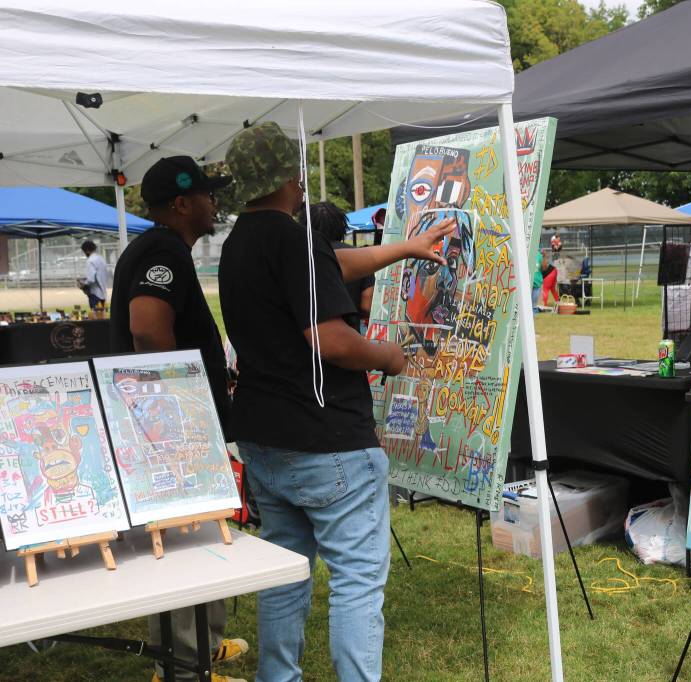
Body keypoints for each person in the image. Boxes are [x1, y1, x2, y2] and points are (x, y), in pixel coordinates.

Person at [219, 122, 452, 682]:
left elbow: (330, 268)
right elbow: (330, 340)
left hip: (266, 440)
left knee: (286, 571)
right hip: (327, 441)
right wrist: (388, 356)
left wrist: (404, 248)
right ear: (291, 177)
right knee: (355, 581)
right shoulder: (290, 238)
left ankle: (277, 677)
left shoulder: (242, 242)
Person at [108, 156, 248, 682]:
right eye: (209, 195)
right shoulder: (162, 249)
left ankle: (200, 647)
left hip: (172, 423)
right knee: (187, 537)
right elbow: (147, 328)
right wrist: (178, 407)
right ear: (183, 204)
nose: (216, 203)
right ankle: (185, 665)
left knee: (201, 532)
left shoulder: (163, 249)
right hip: (169, 428)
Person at [309, 201, 373, 323]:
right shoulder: (361, 256)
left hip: (311, 336)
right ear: (342, 224)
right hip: (351, 334)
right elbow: (367, 306)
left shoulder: (302, 257)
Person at [78, 239, 109, 318]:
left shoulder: (90, 261)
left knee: (96, 318)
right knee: (102, 317)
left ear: (86, 250)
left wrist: (82, 283)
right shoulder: (101, 259)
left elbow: (91, 279)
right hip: (103, 293)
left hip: (95, 294)